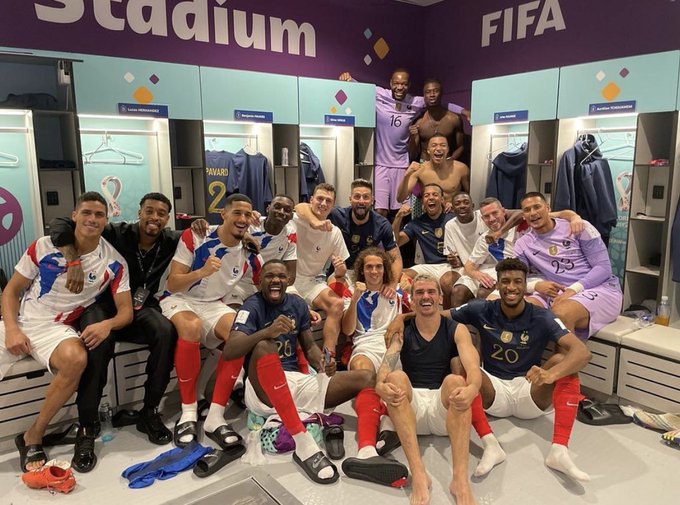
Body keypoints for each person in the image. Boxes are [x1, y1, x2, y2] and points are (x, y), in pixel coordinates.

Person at [224, 260, 408, 487]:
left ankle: (368, 449)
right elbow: (230, 351)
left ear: (288, 280)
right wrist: (266, 332)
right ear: (260, 280)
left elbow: (309, 346)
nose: (276, 280)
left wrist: (322, 363)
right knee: (264, 346)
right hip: (262, 390)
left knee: (366, 377)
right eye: (270, 276)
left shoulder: (297, 304)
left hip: (296, 382)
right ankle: (303, 443)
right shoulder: (251, 307)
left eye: (281, 276)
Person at [0, 192, 132, 472]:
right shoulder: (44, 246)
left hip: (56, 329)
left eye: (99, 215)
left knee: (76, 358)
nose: (92, 219)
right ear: (74, 216)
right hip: (21, 320)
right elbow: (11, 291)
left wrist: (107, 324)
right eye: (86, 212)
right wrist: (11, 328)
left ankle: (33, 435)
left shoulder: (114, 262)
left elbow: (126, 312)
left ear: (106, 220)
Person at [50, 193, 179, 464]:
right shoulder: (115, 232)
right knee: (98, 341)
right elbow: (59, 224)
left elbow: (212, 234)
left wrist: (244, 235)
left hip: (139, 307)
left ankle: (149, 411)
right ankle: (87, 425)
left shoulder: (170, 240)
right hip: (103, 305)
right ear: (139, 213)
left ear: (167, 218)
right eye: (149, 211)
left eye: (161, 213)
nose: (154, 217)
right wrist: (72, 259)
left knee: (166, 331)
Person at [449, 258, 593, 481]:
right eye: (505, 281)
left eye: (517, 281)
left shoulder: (542, 316)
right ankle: (491, 445)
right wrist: (403, 318)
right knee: (459, 363)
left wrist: (551, 375)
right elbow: (440, 316)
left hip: (528, 391)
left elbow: (582, 353)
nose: (511, 287)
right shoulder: (481, 308)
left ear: (526, 286)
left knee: (561, 361)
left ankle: (559, 451)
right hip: (493, 392)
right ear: (497, 285)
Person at [159, 193, 261, 449]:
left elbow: (261, 284)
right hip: (180, 299)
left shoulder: (249, 251)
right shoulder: (196, 236)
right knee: (191, 327)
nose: (242, 218)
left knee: (240, 334)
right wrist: (201, 272)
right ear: (223, 214)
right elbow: (173, 284)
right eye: (236, 213)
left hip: (213, 304)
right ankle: (188, 411)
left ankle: (215, 415)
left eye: (247, 214)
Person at [375, 274, 480, 505]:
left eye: (431, 292)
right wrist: (380, 385)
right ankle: (420, 475)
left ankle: (460, 481)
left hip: (443, 411)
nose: (426, 297)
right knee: (395, 377)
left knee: (456, 381)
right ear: (412, 300)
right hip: (411, 411)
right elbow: (386, 365)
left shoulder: (457, 329)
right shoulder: (402, 330)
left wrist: (472, 389)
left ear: (441, 297)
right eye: (420, 292)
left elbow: (473, 369)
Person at [514, 192, 623, 339]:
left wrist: (573, 290)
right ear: (523, 216)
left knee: (561, 313)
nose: (533, 213)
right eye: (527, 210)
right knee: (523, 311)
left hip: (599, 288)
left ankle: (573, 351)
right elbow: (516, 278)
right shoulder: (523, 243)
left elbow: (604, 268)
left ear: (548, 208)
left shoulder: (578, 227)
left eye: (537, 207)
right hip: (557, 291)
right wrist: (536, 285)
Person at [294, 178, 402, 297]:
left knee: (398, 288)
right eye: (357, 196)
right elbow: (300, 207)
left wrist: (392, 285)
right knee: (336, 292)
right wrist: (315, 222)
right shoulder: (336, 215)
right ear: (350, 199)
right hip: (341, 273)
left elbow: (396, 258)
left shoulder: (382, 224)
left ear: (372, 200)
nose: (361, 201)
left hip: (370, 272)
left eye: (366, 197)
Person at [340, 68, 424, 217]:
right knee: (380, 210)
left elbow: (437, 101)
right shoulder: (379, 94)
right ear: (391, 83)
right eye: (396, 83)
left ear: (409, 85)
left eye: (404, 84)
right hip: (381, 164)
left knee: (402, 211)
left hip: (401, 165)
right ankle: (382, 233)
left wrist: (463, 111)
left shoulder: (415, 102)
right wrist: (348, 79)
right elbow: (361, 88)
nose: (399, 87)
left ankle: (398, 233)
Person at [292, 183, 349, 357]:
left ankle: (328, 356)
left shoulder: (334, 232)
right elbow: (298, 207)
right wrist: (315, 223)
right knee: (299, 309)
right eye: (320, 199)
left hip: (311, 281)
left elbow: (342, 271)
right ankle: (301, 361)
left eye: (328, 201)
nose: (323, 203)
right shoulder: (296, 219)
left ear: (333, 205)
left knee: (337, 304)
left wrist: (340, 269)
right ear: (311, 200)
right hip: (289, 281)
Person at [225, 194, 298, 306]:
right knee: (236, 312)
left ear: (291, 216)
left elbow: (291, 276)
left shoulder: (290, 233)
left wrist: (273, 288)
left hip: (270, 284)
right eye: (277, 207)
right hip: (240, 282)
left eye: (287, 210)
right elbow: (225, 229)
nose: (281, 212)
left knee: (297, 304)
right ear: (268, 209)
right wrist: (245, 234)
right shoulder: (251, 224)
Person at [392, 183, 456, 307]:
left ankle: (445, 315)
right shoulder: (417, 222)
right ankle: (417, 309)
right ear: (422, 202)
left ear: (442, 199)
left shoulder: (453, 218)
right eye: (426, 195)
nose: (430, 197)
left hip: (451, 266)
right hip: (429, 266)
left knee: (447, 282)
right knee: (398, 275)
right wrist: (398, 217)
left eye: (435, 194)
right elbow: (396, 241)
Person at [397, 134, 470, 211]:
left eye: (443, 145)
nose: (438, 148)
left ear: (448, 149)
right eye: (434, 145)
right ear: (428, 150)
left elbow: (471, 195)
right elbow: (400, 198)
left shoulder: (461, 168)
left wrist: (455, 203)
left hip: (453, 213)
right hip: (429, 214)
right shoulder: (419, 170)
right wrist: (407, 175)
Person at [408, 79, 465, 162]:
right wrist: (413, 138)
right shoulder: (419, 122)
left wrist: (450, 160)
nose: (432, 95)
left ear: (441, 94)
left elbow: (461, 147)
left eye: (436, 91)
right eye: (428, 92)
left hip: (446, 163)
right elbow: (412, 155)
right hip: (425, 164)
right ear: (424, 96)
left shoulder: (454, 119)